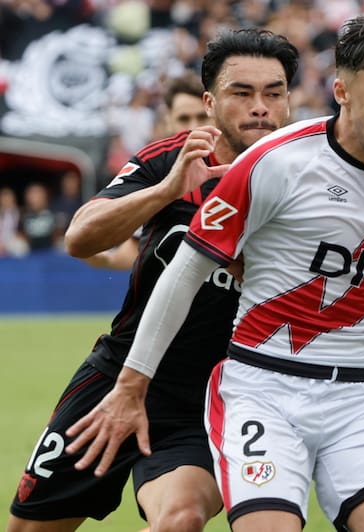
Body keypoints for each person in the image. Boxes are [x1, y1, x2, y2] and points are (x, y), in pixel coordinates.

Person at [65, 16, 364, 532]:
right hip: (261, 389)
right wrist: (132, 386)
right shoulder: (276, 162)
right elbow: (184, 271)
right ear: (342, 91)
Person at [6, 28, 299, 532]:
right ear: (211, 102)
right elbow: (80, 237)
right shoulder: (169, 158)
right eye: (242, 93)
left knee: (178, 519)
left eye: (273, 93)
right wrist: (165, 191)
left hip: (212, 395)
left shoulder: (308, 177)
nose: (260, 108)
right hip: (117, 375)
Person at [84, 71, 213, 272]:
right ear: (168, 120)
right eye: (183, 119)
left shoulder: (238, 166)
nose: (193, 127)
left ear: (214, 112)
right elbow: (137, 248)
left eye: (201, 117)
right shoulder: (153, 172)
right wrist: (105, 260)